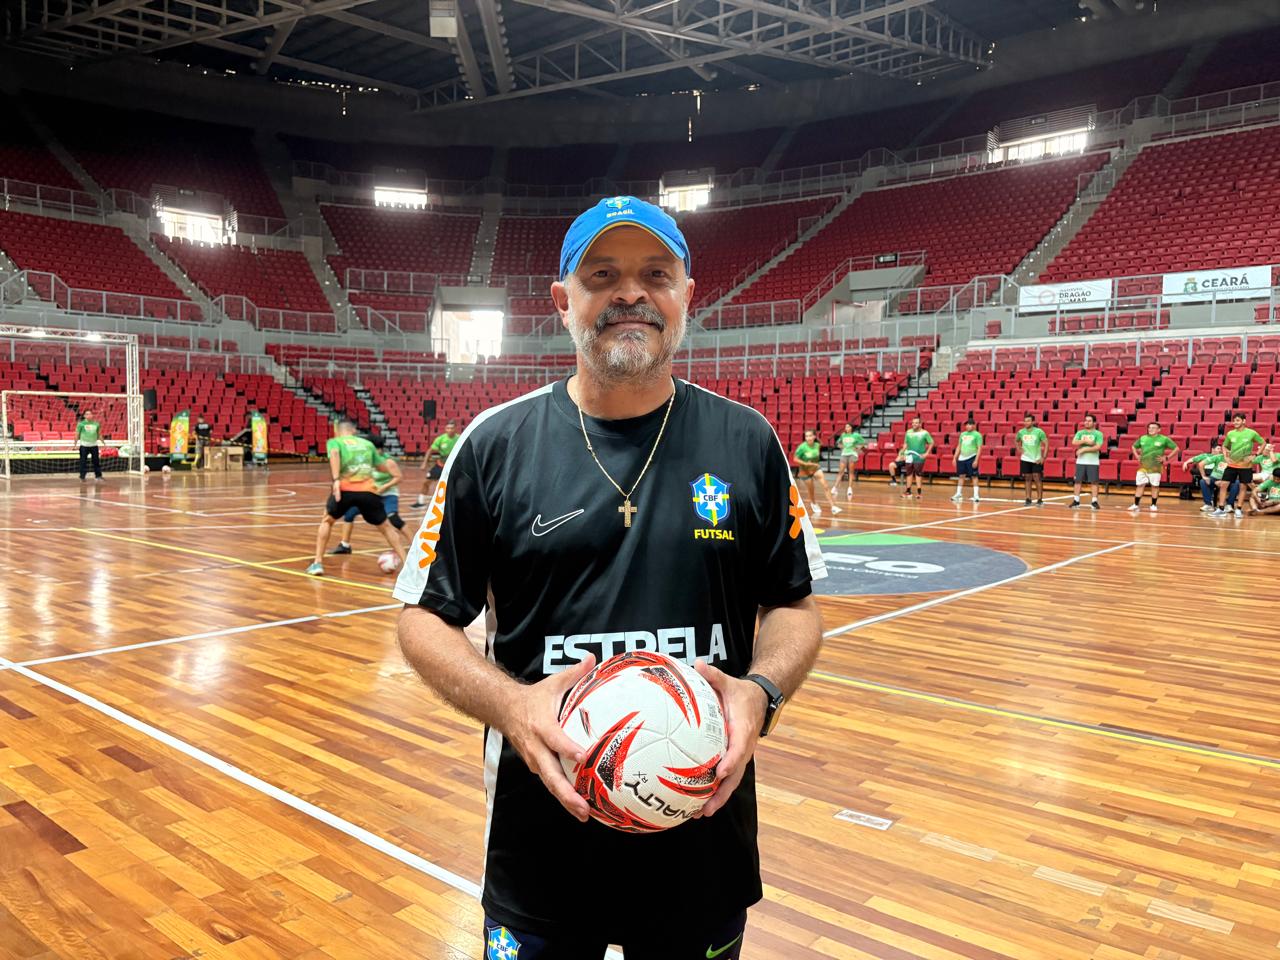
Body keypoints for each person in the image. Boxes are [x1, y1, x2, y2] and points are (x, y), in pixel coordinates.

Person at [393, 196, 825, 958]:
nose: (631, 293)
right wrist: (512, 706)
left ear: (687, 295)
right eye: (602, 276)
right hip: (542, 853)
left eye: (656, 274)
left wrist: (761, 691)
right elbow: (423, 618)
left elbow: (794, 606)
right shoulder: (494, 445)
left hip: (701, 847)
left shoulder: (748, 441)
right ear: (563, 302)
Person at [307, 420, 406, 575]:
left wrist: (336, 479)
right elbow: (381, 467)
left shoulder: (335, 442)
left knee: (327, 521)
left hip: (345, 490)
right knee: (386, 527)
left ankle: (317, 563)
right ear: (353, 430)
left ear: (338, 431)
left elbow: (334, 454)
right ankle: (408, 565)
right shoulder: (367, 445)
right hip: (368, 491)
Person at [330, 435, 410, 554]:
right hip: (372, 494)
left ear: (379, 449)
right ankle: (345, 545)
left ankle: (415, 543)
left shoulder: (388, 462)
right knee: (349, 514)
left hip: (388, 494)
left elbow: (398, 477)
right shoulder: (366, 460)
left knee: (393, 518)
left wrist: (384, 487)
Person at [1215, 413, 1266, 519]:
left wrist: (1255, 455)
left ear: (1244, 421)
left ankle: (1238, 509)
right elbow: (1224, 446)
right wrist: (1225, 456)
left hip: (1245, 466)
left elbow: (1263, 443)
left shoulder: (1251, 433)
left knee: (1243, 487)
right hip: (1232, 465)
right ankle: (1221, 509)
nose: (1235, 422)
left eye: (1237, 420)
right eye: (1234, 420)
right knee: (1223, 485)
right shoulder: (1230, 433)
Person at [1129, 422, 1178, 513]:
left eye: (1153, 428)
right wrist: (1136, 455)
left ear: (1159, 430)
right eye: (1149, 428)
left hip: (1156, 467)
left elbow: (1176, 448)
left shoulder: (1164, 439)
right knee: (1140, 485)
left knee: (1155, 486)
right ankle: (1135, 504)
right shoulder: (1143, 438)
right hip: (1143, 466)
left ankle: (1153, 505)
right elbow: (1133, 446)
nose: (1151, 429)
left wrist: (1166, 457)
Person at [793, 428, 841, 517]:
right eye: (806, 436)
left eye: (810, 436)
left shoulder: (817, 445)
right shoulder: (802, 447)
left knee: (826, 486)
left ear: (814, 436)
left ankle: (833, 507)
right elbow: (795, 459)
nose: (808, 438)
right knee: (811, 490)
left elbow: (819, 449)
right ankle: (813, 503)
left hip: (815, 468)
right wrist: (806, 463)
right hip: (805, 471)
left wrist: (813, 464)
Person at [414, 420, 459, 508]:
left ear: (455, 429)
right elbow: (430, 451)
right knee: (427, 482)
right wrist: (424, 463)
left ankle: (455, 504)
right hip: (440, 465)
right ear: (445, 429)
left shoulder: (460, 438)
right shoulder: (440, 439)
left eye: (452, 428)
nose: (450, 430)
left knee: (456, 485)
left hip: (454, 466)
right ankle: (420, 502)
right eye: (448, 428)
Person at [1070, 414, 1105, 510]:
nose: (1087, 422)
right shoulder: (1080, 432)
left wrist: (1084, 449)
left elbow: (1097, 447)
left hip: (1093, 462)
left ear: (1094, 423)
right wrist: (1086, 442)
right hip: (1080, 461)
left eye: (1089, 421)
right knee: (1078, 481)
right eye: (1086, 420)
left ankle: (1094, 501)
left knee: (1094, 482)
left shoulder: (1098, 434)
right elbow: (1074, 442)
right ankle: (1076, 501)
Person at [1015, 413, 1048, 505]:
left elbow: (1046, 443)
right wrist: (1019, 448)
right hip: (1025, 458)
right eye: (1025, 421)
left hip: (1036, 459)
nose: (1026, 422)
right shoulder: (1021, 432)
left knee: (1037, 478)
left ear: (1033, 422)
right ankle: (1028, 498)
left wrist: (1043, 457)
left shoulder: (1039, 432)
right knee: (1027, 478)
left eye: (1028, 421)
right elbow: (1016, 440)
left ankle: (1039, 499)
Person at [1183, 445, 1226, 513]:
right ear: (1212, 449)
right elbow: (1194, 459)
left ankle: (1215, 502)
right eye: (1218, 448)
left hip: (1217, 475)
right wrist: (1186, 462)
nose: (1220, 450)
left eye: (1221, 449)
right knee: (1204, 481)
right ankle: (1209, 504)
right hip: (1206, 474)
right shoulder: (1205, 455)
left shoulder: (1222, 458)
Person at [900, 416, 934, 500]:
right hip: (909, 455)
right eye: (913, 423)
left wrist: (927, 453)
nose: (914, 424)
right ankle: (908, 491)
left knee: (918, 473)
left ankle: (919, 493)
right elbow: (906, 444)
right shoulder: (908, 432)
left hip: (919, 456)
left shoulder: (925, 433)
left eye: (916, 423)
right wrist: (902, 453)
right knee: (909, 473)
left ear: (920, 424)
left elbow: (931, 443)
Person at [950, 418, 982, 502]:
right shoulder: (962, 434)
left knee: (974, 476)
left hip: (972, 457)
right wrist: (955, 457)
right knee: (961, 476)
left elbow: (979, 448)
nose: (967, 426)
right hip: (962, 458)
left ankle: (976, 495)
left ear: (974, 425)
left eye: (970, 424)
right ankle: (958, 493)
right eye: (967, 424)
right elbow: (959, 446)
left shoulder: (977, 435)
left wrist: (976, 460)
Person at [832, 422, 866, 499]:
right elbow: (838, 443)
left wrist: (857, 448)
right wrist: (842, 447)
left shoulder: (856, 435)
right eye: (846, 427)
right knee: (841, 471)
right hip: (844, 454)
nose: (846, 428)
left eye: (848, 427)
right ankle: (835, 487)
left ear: (851, 428)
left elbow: (863, 442)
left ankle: (849, 488)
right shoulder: (843, 435)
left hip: (852, 454)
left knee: (851, 471)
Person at [76, 409, 104, 482]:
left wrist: (104, 443)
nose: (89, 415)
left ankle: (98, 476)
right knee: (83, 462)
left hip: (94, 446)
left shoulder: (96, 424)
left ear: (92, 415)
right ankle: (82, 477)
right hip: (84, 446)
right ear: (84, 416)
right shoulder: (81, 424)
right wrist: (75, 444)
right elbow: (77, 434)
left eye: (90, 414)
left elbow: (99, 434)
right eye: (87, 414)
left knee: (96, 461)